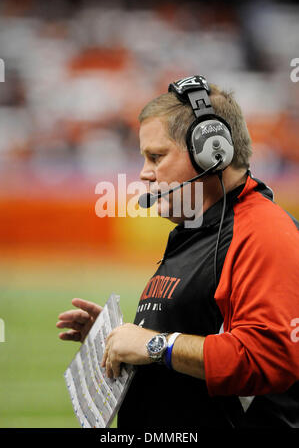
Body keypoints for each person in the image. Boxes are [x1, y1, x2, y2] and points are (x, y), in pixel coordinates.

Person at [56, 75, 299, 428]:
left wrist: (154, 344)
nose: (144, 174)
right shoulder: (198, 230)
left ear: (212, 155)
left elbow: (267, 359)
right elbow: (199, 334)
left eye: (156, 157)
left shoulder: (264, 232)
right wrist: (124, 338)